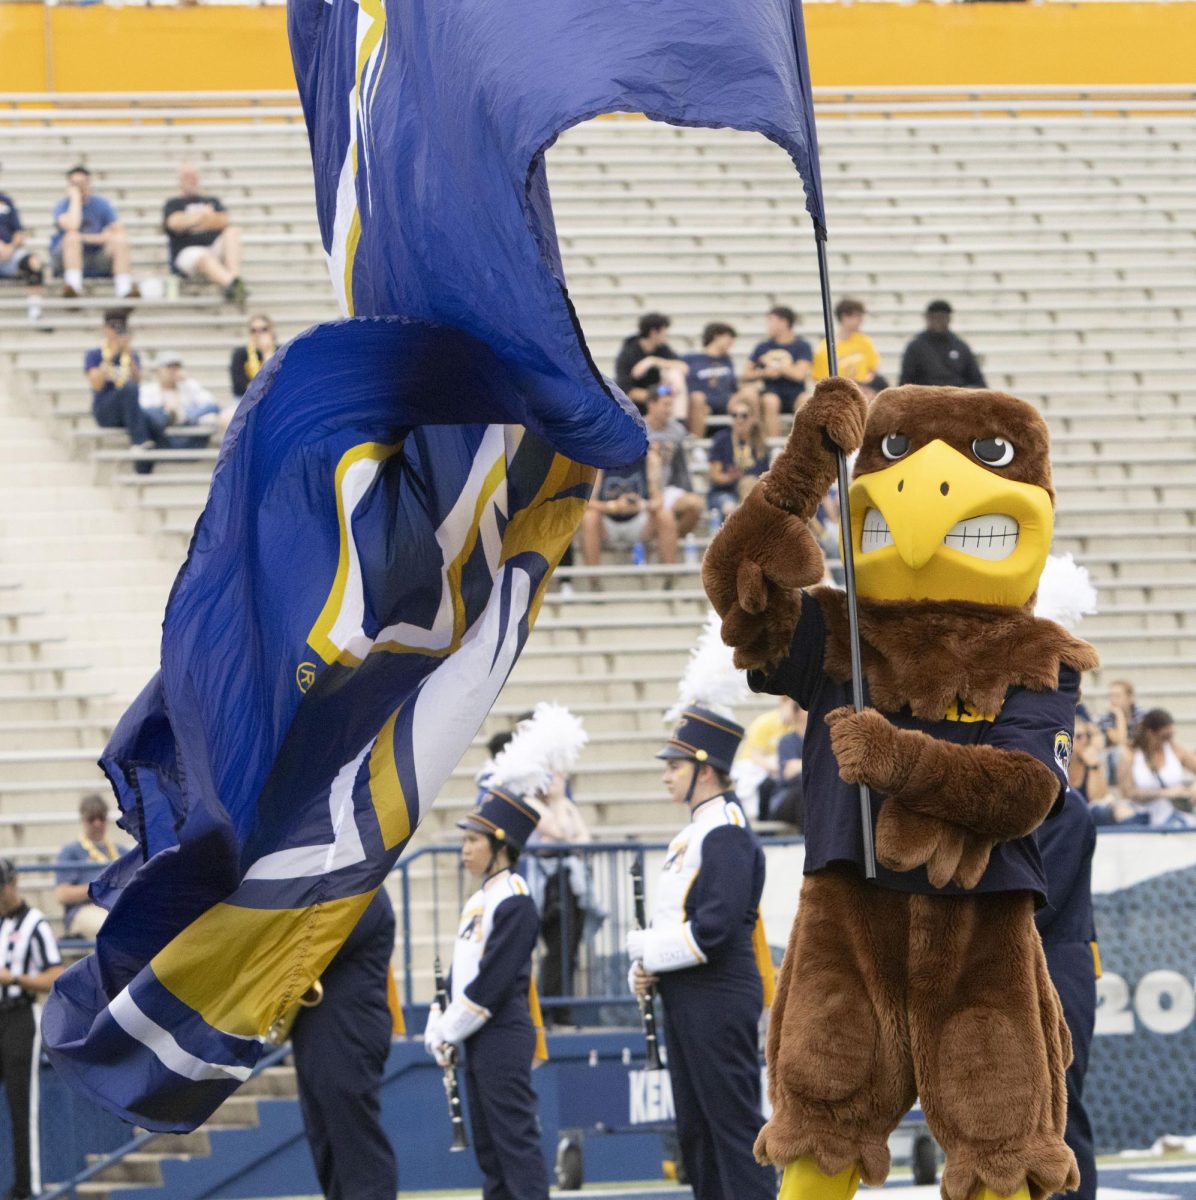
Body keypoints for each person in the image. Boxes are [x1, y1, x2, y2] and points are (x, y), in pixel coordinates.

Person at [626, 706, 775, 1200]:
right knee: (697, 1133)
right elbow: (678, 923)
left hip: (717, 996)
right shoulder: (692, 833)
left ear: (705, 770)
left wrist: (648, 947)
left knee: (731, 1130)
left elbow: (712, 928)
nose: (666, 774)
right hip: (687, 996)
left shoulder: (726, 830)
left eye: (676, 765)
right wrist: (646, 968)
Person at [424, 786, 550, 1200]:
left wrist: (449, 1029)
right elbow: (461, 973)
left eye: (473, 840)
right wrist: (436, 1019)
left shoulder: (515, 899)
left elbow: (491, 984)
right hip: (476, 1033)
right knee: (490, 1154)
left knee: (514, 1146)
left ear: (500, 845)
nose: (465, 849)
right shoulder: (480, 900)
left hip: (501, 1032)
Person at [291, 888, 399, 1200]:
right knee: (327, 1150)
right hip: (316, 1030)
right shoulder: (337, 889)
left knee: (358, 1152)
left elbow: (317, 946)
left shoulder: (366, 892)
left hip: (349, 1030)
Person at [1035, 788, 1098, 1200]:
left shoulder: (1064, 807)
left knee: (1060, 1104)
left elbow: (1040, 899)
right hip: (1014, 958)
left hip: (1056, 961)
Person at [0, 858, 64, 1200]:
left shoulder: (35, 923)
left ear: (11, 885)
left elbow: (55, 974)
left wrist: (15, 978)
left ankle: (27, 1188)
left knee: (21, 1105)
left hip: (19, 1016)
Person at [580, 395, 702, 568]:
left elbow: (658, 501)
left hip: (639, 520)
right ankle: (594, 583)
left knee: (665, 515)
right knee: (589, 517)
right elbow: (587, 503)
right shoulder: (599, 460)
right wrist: (614, 506)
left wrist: (640, 505)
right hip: (608, 522)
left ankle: (669, 578)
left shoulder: (649, 458)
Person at [85, 310, 161, 473]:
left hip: (128, 410)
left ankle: (143, 466)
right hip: (105, 409)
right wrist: (110, 356)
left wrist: (129, 355)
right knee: (128, 388)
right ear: (106, 329)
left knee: (156, 422)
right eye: (114, 327)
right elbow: (96, 384)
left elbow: (137, 379)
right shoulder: (95, 354)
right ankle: (139, 441)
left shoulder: (130, 355)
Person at [162, 164, 247, 304]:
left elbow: (223, 221)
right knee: (202, 256)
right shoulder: (173, 204)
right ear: (180, 180)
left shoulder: (212, 200)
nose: (191, 180)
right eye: (187, 176)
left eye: (194, 176)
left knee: (232, 232)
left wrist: (189, 220)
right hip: (186, 252)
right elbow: (174, 224)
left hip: (212, 246)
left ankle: (234, 278)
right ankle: (231, 284)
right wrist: (204, 216)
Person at [50, 166, 137, 299]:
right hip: (67, 259)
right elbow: (73, 225)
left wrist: (85, 238)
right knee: (72, 237)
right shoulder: (62, 206)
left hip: (95, 255)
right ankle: (74, 288)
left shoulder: (101, 204)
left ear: (89, 183)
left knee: (120, 241)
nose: (79, 187)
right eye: (75, 184)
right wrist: (75, 199)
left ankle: (124, 290)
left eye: (82, 183)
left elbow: (118, 231)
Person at [53, 794, 121, 940]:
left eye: (101, 818)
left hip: (119, 907)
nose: (97, 823)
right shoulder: (71, 851)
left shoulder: (120, 851)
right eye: (92, 818)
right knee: (111, 925)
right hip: (84, 910)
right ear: (83, 820)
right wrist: (98, 887)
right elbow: (62, 894)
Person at [1115, 708, 1196, 825]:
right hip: (1142, 814)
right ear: (1150, 733)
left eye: (1171, 735)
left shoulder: (1174, 748)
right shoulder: (1131, 755)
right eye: (1164, 736)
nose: (1168, 740)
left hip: (1175, 813)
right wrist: (1164, 793)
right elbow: (1127, 792)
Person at [743, 305, 812, 439]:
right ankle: (774, 444)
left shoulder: (802, 346)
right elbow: (745, 374)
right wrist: (763, 373)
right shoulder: (763, 347)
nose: (767, 325)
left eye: (771, 321)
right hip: (772, 390)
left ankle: (803, 444)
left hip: (795, 391)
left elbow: (799, 374)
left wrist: (775, 365)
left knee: (806, 399)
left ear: (784, 323)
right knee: (770, 401)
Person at [707, 391, 769, 519]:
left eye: (744, 416)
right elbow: (714, 475)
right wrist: (733, 477)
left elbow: (765, 478)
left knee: (749, 485)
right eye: (735, 415)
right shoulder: (722, 440)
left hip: (753, 492)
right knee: (730, 507)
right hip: (725, 491)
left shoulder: (759, 443)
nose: (739, 420)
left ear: (752, 419)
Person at [899, 299, 987, 389]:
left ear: (949, 319)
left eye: (942, 317)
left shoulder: (960, 347)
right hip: (926, 398)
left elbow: (978, 382)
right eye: (934, 317)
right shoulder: (915, 348)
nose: (938, 321)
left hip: (957, 399)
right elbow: (905, 384)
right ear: (927, 318)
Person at [138, 351, 222, 441]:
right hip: (161, 435)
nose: (173, 371)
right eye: (169, 367)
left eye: (177, 367)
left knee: (211, 408)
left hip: (188, 432)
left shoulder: (188, 386)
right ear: (158, 370)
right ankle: (175, 416)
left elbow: (211, 403)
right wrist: (165, 411)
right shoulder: (148, 390)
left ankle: (183, 417)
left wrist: (186, 382)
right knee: (154, 413)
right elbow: (146, 414)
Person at [613, 312, 688, 412]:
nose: (666, 334)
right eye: (664, 331)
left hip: (660, 396)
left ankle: (679, 422)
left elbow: (683, 367)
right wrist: (658, 394)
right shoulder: (628, 354)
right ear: (654, 332)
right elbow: (628, 391)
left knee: (675, 375)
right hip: (637, 406)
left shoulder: (662, 349)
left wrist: (652, 361)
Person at [812, 298, 885, 393]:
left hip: (863, 388)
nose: (861, 320)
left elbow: (872, 369)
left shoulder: (864, 341)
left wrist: (861, 385)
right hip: (838, 392)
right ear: (845, 317)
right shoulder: (825, 348)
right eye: (857, 316)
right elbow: (820, 379)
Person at [683, 322, 737, 439]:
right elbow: (687, 385)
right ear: (716, 336)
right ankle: (696, 446)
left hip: (726, 404)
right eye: (729, 337)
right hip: (702, 404)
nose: (731, 342)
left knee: (749, 394)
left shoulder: (727, 360)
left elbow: (734, 387)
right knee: (697, 397)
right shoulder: (692, 358)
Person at [0, 188, 45, 322]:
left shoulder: (6, 201)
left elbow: (19, 232)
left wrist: (10, 247)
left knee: (34, 263)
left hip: (9, 254)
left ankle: (35, 311)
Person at [230, 313, 278, 399]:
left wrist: (268, 355)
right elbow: (239, 388)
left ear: (272, 331)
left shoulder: (281, 352)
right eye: (253, 330)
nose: (258, 334)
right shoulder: (241, 354)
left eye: (264, 329)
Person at [1068, 715, 1108, 804]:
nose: (1085, 740)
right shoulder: (1058, 763)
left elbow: (1097, 799)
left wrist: (1093, 767)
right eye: (1079, 736)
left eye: (1088, 735)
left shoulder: (1094, 762)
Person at [1096, 679, 1143, 750]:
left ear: (1130, 698)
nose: (1113, 700)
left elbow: (1143, 739)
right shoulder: (1106, 717)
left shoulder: (1140, 713)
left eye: (1118, 696)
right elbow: (1120, 742)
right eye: (1111, 696)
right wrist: (1119, 715)